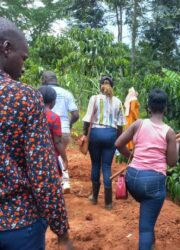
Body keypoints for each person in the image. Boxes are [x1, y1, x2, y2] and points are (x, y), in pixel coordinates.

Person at [0, 17, 72, 249]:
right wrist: (61, 231)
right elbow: (42, 173)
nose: (23, 66)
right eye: (23, 58)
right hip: (18, 223)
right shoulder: (23, 96)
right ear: (6, 48)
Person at [115, 88, 180, 250]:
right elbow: (172, 162)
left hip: (132, 179)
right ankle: (148, 241)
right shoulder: (169, 132)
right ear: (165, 107)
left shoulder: (138, 124)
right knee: (145, 228)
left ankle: (151, 243)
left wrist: (131, 156)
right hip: (151, 183)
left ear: (148, 106)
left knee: (147, 215)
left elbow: (118, 144)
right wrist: (177, 144)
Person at [82, 76, 125, 210]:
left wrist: (84, 134)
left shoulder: (94, 99)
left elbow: (87, 119)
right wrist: (117, 140)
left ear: (100, 86)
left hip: (95, 134)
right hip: (110, 135)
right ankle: (108, 203)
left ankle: (94, 197)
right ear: (112, 86)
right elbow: (120, 125)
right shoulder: (118, 102)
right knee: (106, 167)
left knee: (95, 164)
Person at [42, 71, 79, 193]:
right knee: (59, 154)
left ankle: (49, 182)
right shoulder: (66, 93)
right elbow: (75, 114)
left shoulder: (40, 92)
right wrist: (68, 124)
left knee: (46, 156)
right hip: (63, 129)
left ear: (44, 80)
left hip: (43, 128)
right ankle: (65, 181)